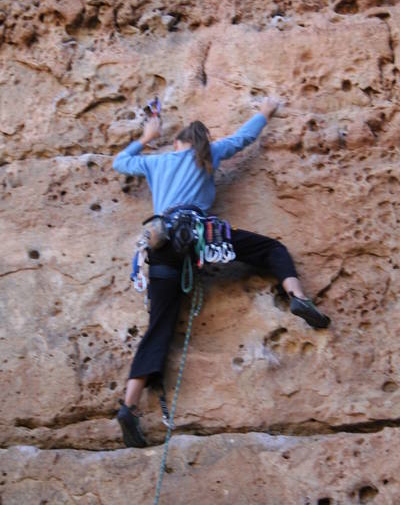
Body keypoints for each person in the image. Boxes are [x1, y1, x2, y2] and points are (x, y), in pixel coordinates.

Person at [112, 97, 330, 448]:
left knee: (159, 326)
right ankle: (298, 297)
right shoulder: (209, 154)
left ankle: (128, 406)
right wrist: (265, 111)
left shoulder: (159, 161)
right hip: (201, 238)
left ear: (179, 143)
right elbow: (244, 138)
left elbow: (120, 162)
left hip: (162, 242)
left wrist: (147, 135)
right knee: (272, 249)